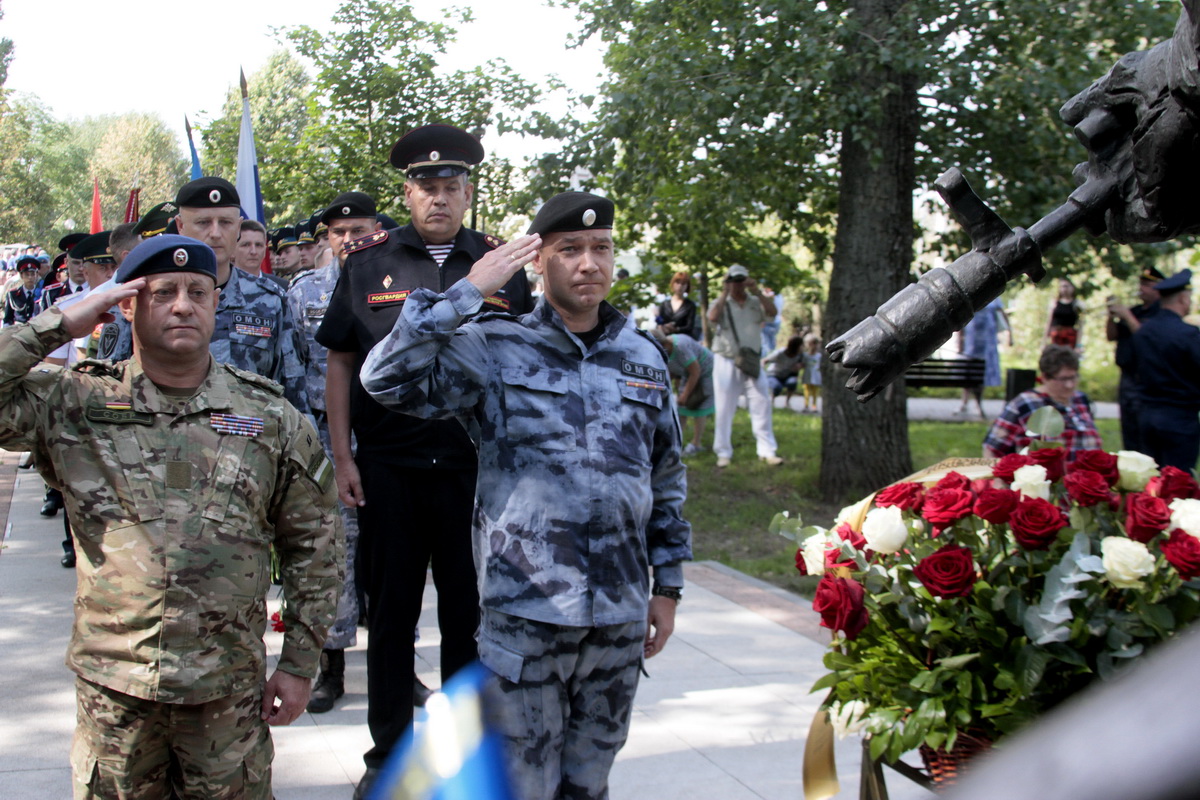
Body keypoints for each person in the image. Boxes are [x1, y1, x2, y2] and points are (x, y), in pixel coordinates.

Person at [360, 191, 691, 800]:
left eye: (601, 249)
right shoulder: (494, 345)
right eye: (569, 250)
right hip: (526, 614)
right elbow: (383, 378)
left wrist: (666, 586)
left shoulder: (642, 357)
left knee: (590, 782)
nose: (588, 263)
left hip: (617, 613)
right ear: (538, 263)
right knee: (523, 785)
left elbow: (665, 477)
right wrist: (465, 290)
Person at [0, 234, 342, 798]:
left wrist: (301, 662)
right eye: (163, 292)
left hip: (227, 695)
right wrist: (60, 323)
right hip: (116, 695)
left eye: (197, 292)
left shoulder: (267, 415)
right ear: (127, 304)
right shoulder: (74, 404)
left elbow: (316, 543)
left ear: (215, 303)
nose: (183, 304)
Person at [314, 123, 534, 799]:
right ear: (406, 194)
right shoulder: (369, 264)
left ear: (467, 193)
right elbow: (341, 364)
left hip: (475, 472)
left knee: (471, 617)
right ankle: (389, 753)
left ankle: (464, 757)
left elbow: (525, 368)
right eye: (425, 187)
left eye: (450, 187)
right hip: (390, 467)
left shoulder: (502, 266)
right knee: (391, 617)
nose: (438, 199)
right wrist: (343, 454)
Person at [286, 191, 380, 715]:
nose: (351, 240)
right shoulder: (303, 293)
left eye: (361, 230)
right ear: (327, 239)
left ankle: (400, 660)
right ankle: (332, 666)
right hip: (324, 440)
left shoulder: (397, 283)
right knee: (333, 552)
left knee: (390, 552)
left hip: (388, 438)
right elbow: (294, 369)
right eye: (341, 233)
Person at [116, 177, 311, 414]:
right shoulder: (144, 295)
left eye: (226, 222)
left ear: (239, 227)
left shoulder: (270, 300)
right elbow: (115, 384)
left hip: (250, 441)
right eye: (203, 222)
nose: (216, 233)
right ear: (180, 226)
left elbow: (293, 389)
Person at [707, 263, 782, 467]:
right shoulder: (721, 302)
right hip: (726, 359)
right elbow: (712, 318)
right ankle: (723, 452)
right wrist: (724, 292)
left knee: (762, 403)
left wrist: (757, 290)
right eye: (734, 281)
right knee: (724, 408)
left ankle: (767, 450)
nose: (738, 285)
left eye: (741, 280)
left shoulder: (755, 301)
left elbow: (773, 313)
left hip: (751, 359)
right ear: (728, 282)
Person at [983, 345, 1102, 462]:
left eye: (1073, 377)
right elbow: (992, 448)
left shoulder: (1080, 399)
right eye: (1063, 379)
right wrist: (997, 480)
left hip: (1085, 478)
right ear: (1044, 377)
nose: (1069, 385)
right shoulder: (1026, 403)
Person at [1131, 269, 1200, 472]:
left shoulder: (1144, 331)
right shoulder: (1188, 334)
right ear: (1182, 299)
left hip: (1147, 415)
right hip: (1179, 418)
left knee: (1151, 480)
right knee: (1178, 482)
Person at [1106, 265, 1164, 453]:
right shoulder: (1135, 310)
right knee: (1128, 426)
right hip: (1127, 376)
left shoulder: (1159, 314)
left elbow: (1147, 338)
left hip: (1146, 378)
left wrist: (1126, 315)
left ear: (1158, 288)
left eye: (1146, 284)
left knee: (1144, 429)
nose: (1141, 288)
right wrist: (1111, 316)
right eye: (1141, 283)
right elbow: (1111, 336)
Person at [652, 326, 715, 456]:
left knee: (699, 405)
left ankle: (696, 444)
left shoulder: (680, 347)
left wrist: (685, 395)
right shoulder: (665, 351)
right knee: (681, 410)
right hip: (688, 374)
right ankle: (675, 444)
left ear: (665, 345)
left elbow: (695, 371)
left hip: (706, 371)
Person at [958, 296, 1011, 418]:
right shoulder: (971, 294)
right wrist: (960, 343)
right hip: (971, 343)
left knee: (980, 375)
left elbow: (1002, 314)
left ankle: (978, 404)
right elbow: (962, 318)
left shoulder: (995, 296)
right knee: (968, 373)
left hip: (987, 343)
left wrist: (1009, 335)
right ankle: (964, 403)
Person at [656, 270, 701, 339]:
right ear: (673, 284)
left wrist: (676, 329)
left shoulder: (690, 305)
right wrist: (664, 326)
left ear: (687, 286)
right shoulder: (664, 304)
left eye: (683, 284)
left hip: (682, 340)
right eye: (677, 282)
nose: (680, 286)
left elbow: (689, 327)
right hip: (665, 338)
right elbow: (659, 322)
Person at [763, 334, 804, 405]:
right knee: (776, 387)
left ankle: (787, 402)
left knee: (792, 382)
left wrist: (799, 366)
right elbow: (765, 360)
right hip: (774, 374)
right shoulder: (780, 353)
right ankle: (772, 401)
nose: (803, 347)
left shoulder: (800, 355)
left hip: (787, 375)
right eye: (801, 345)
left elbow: (805, 363)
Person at [1046, 277, 1085, 350]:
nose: (1064, 289)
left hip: (1070, 337)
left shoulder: (1077, 304)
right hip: (1056, 336)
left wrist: (1078, 345)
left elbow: (1080, 325)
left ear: (1072, 288)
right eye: (1062, 286)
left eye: (1067, 286)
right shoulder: (1055, 303)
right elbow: (1049, 322)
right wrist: (1045, 341)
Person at [2, 257, 40, 326]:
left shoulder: (42, 293)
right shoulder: (13, 294)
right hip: (18, 329)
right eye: (27, 274)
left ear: (36, 275)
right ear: (21, 276)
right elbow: (8, 318)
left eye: (32, 274)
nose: (30, 277)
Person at [800, 332, 823, 413]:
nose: (812, 346)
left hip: (816, 376)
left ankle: (814, 406)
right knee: (806, 391)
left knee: (815, 392)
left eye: (814, 343)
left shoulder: (819, 356)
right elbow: (802, 364)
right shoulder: (805, 355)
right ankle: (806, 406)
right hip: (807, 375)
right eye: (810, 344)